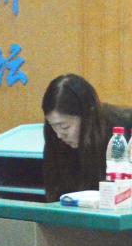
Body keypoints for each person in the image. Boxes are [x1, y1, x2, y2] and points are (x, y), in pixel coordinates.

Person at [41, 73, 132, 202]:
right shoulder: (53, 135)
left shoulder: (122, 130)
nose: (59, 135)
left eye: (65, 127)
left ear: (88, 115)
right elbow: (54, 194)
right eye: (53, 126)